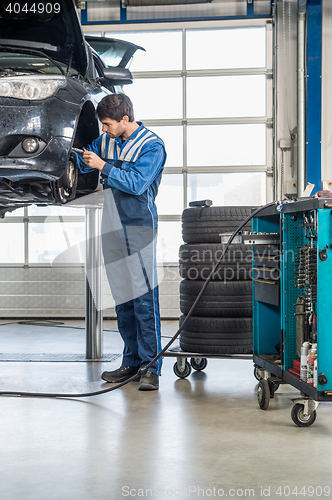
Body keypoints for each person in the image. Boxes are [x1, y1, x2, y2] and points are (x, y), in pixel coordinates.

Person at [76, 93, 166, 391]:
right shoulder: (106, 141)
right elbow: (87, 159)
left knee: (143, 299)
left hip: (139, 226)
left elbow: (137, 183)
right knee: (123, 299)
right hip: (111, 225)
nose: (104, 130)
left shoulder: (152, 145)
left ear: (125, 119)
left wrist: (103, 166)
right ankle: (131, 362)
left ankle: (151, 367)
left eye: (108, 124)